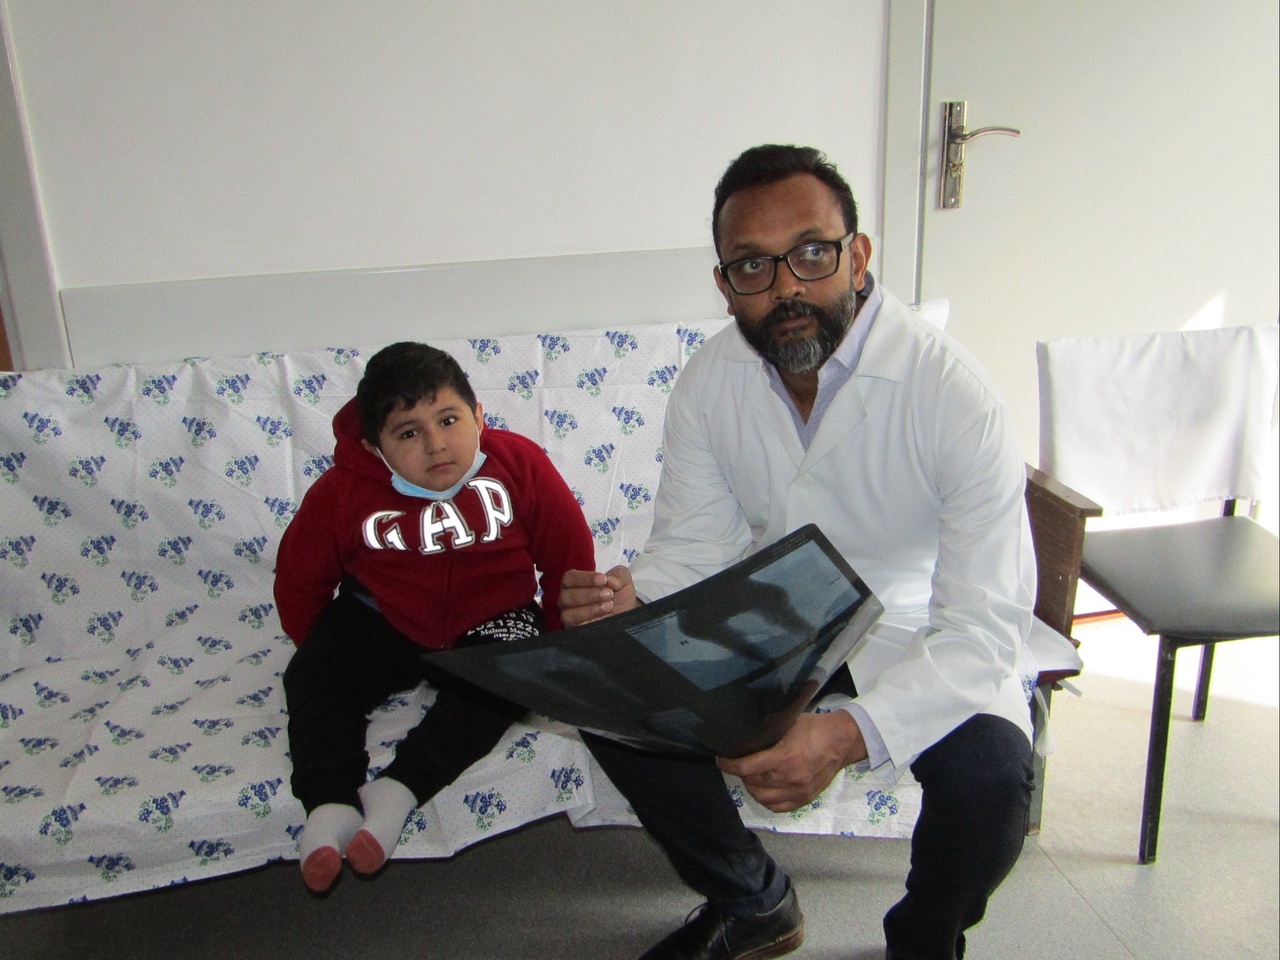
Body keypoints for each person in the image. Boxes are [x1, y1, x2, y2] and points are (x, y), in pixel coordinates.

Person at [560, 145, 1037, 960]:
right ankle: (751, 899)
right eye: (753, 265)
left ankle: (925, 938)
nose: (786, 287)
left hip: (911, 625)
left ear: (858, 256)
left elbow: (984, 624)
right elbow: (696, 543)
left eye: (812, 253)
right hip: (773, 616)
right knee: (612, 698)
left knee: (992, 781)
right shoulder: (710, 380)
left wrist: (849, 733)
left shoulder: (954, 395)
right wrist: (630, 598)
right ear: (724, 285)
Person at [276, 341, 595, 893]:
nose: (436, 444)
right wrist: (322, 647)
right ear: (374, 446)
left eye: (449, 420)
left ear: (478, 416)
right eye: (408, 433)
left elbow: (568, 558)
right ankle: (329, 805)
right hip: (383, 616)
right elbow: (300, 576)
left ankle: (399, 789)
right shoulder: (344, 490)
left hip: (492, 615)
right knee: (312, 675)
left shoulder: (519, 464)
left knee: (505, 680)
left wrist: (552, 642)